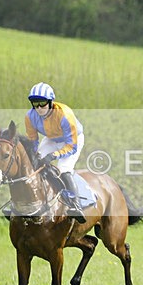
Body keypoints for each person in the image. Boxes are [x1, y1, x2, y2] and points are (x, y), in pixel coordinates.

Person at [25, 82, 87, 222]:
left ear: (50, 102)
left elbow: (71, 146)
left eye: (42, 103)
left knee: (63, 168)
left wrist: (54, 155)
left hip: (72, 140)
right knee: (34, 164)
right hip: (51, 138)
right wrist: (35, 157)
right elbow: (32, 141)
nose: (39, 107)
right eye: (35, 103)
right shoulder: (29, 117)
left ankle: (75, 204)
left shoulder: (65, 114)